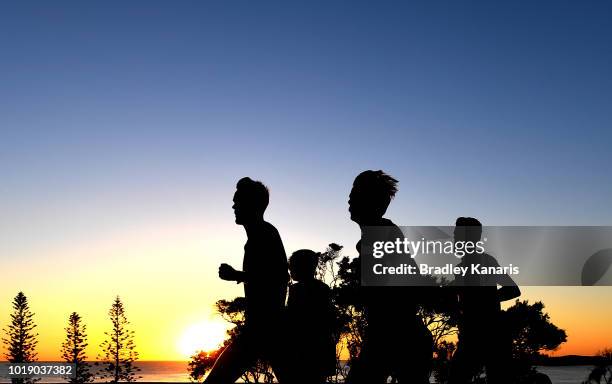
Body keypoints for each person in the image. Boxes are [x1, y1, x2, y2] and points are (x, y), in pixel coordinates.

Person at [346, 170, 433, 384]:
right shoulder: (376, 235)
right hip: (393, 336)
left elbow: (393, 286)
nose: (349, 197)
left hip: (398, 337)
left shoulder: (382, 234)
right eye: (351, 191)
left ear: (374, 202)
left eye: (356, 192)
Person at [205, 177, 289, 384]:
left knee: (215, 382)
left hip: (263, 329)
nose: (233, 205)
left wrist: (237, 275)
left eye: (238, 200)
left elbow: (278, 276)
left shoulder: (265, 233)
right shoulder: (258, 236)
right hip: (264, 329)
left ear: (254, 205)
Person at [449, 217, 521, 384]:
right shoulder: (461, 267)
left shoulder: (486, 261)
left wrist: (484, 302)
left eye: (457, 235)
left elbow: (513, 289)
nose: (454, 239)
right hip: (471, 335)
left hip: (489, 336)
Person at [286, 249, 337, 384]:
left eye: (292, 266)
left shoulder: (298, 290)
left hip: (308, 348)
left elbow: (293, 318)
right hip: (318, 347)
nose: (290, 269)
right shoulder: (321, 288)